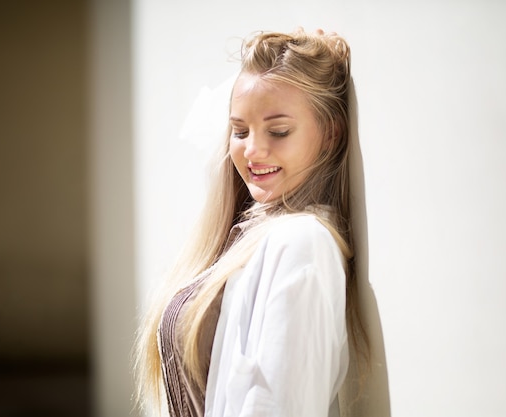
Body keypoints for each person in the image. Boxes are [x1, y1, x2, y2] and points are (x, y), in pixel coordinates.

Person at [134, 28, 387, 417]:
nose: (252, 150)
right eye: (239, 131)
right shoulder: (245, 235)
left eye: (279, 131)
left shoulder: (304, 246)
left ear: (331, 134)